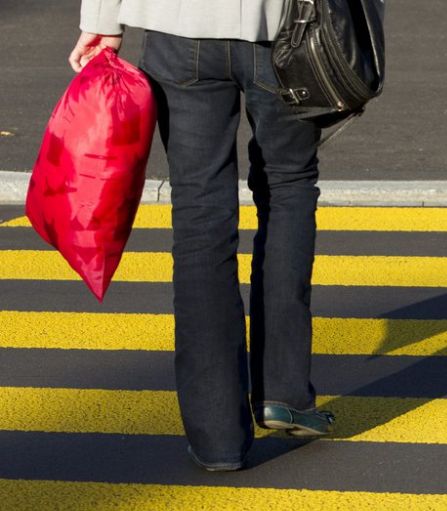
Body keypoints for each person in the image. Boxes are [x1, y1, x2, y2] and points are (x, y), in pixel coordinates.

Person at [71, 1, 335, 472]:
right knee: (288, 186)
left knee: (199, 214)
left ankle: (218, 439)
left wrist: (101, 23)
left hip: (177, 29)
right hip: (290, 26)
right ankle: (283, 391)